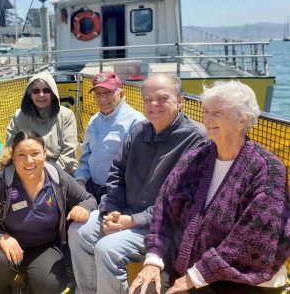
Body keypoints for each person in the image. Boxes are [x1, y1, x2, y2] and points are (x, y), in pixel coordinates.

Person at [129, 81, 288, 294]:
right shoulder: (194, 160)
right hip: (184, 266)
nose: (206, 119)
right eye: (206, 111)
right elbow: (163, 209)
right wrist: (154, 258)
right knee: (144, 289)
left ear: (242, 121)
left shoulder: (267, 169)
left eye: (217, 113)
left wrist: (197, 276)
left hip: (238, 279)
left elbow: (253, 237)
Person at [68, 74, 208, 294]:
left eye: (162, 98)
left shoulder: (196, 139)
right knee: (78, 231)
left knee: (107, 249)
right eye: (147, 98)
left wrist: (132, 221)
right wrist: (112, 209)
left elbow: (182, 201)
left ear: (180, 100)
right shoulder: (139, 130)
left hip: (162, 227)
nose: (153, 104)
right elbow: (117, 171)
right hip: (125, 213)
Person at [0, 130, 97, 294]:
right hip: (8, 247)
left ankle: (29, 284)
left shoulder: (56, 176)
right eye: (21, 155)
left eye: (35, 153)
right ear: (13, 158)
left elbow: (89, 199)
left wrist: (83, 208)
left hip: (44, 246)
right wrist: (0, 237)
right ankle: (5, 289)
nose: (29, 161)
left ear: (44, 153)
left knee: (50, 285)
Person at [74, 71, 145, 202]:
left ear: (121, 94)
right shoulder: (93, 120)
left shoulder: (136, 122)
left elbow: (139, 167)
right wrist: (80, 180)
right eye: (98, 94)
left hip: (120, 193)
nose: (102, 99)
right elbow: (85, 158)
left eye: (108, 93)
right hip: (91, 188)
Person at [6, 73, 78, 175]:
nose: (41, 94)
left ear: (53, 94)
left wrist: (48, 175)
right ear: (30, 95)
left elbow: (68, 153)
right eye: (36, 91)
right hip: (26, 171)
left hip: (60, 172)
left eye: (46, 90)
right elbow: (9, 149)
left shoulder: (66, 115)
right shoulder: (19, 116)